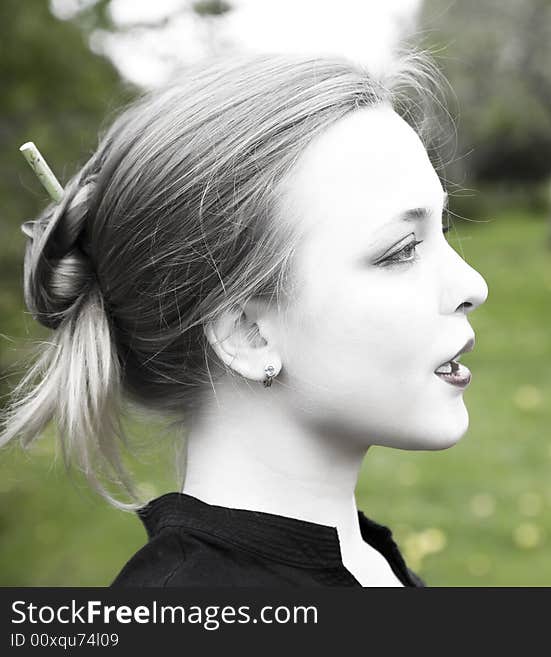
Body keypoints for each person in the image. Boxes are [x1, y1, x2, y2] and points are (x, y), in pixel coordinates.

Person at [0, 48, 489, 587]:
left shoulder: (369, 566)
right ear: (246, 333)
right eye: (400, 250)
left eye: (442, 229)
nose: (473, 286)